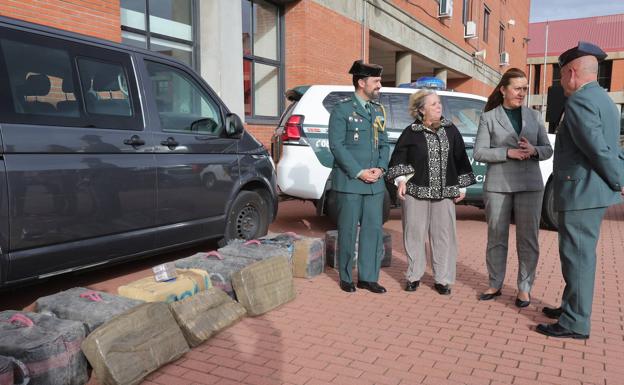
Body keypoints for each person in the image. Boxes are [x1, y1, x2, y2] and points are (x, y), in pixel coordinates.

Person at [537, 42, 624, 339]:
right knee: (578, 255)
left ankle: (575, 322)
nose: (561, 85)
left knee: (577, 257)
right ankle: (570, 306)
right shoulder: (604, 99)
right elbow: (613, 146)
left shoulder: (579, 102)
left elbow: (598, 149)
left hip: (581, 192)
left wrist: (620, 180)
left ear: (573, 72)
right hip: (590, 192)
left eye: (562, 77)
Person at [473, 68, 553, 307]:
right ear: (503, 90)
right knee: (496, 237)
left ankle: (524, 288)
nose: (522, 93)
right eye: (517, 88)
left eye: (525, 89)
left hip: (530, 184)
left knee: (528, 238)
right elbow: (479, 152)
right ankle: (495, 283)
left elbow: (547, 149)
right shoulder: (488, 117)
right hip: (498, 185)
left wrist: (534, 150)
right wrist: (506, 152)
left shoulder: (534, 116)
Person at [385, 89, 475, 295]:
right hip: (416, 191)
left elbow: (460, 158)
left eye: (439, 103)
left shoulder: (451, 130)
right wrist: (401, 180)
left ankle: (442, 279)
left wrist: (462, 186)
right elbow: (399, 159)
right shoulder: (411, 132)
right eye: (433, 104)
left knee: (443, 236)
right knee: (414, 234)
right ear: (421, 109)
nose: (439, 106)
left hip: (445, 193)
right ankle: (414, 275)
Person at [328, 60, 390, 294]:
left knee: (373, 231)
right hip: (351, 182)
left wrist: (380, 169)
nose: (380, 85)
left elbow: (384, 144)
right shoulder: (342, 110)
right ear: (361, 82)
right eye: (376, 81)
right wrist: (359, 171)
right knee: (348, 231)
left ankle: (368, 277)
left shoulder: (377, 110)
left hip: (375, 185)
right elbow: (337, 145)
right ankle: (346, 276)